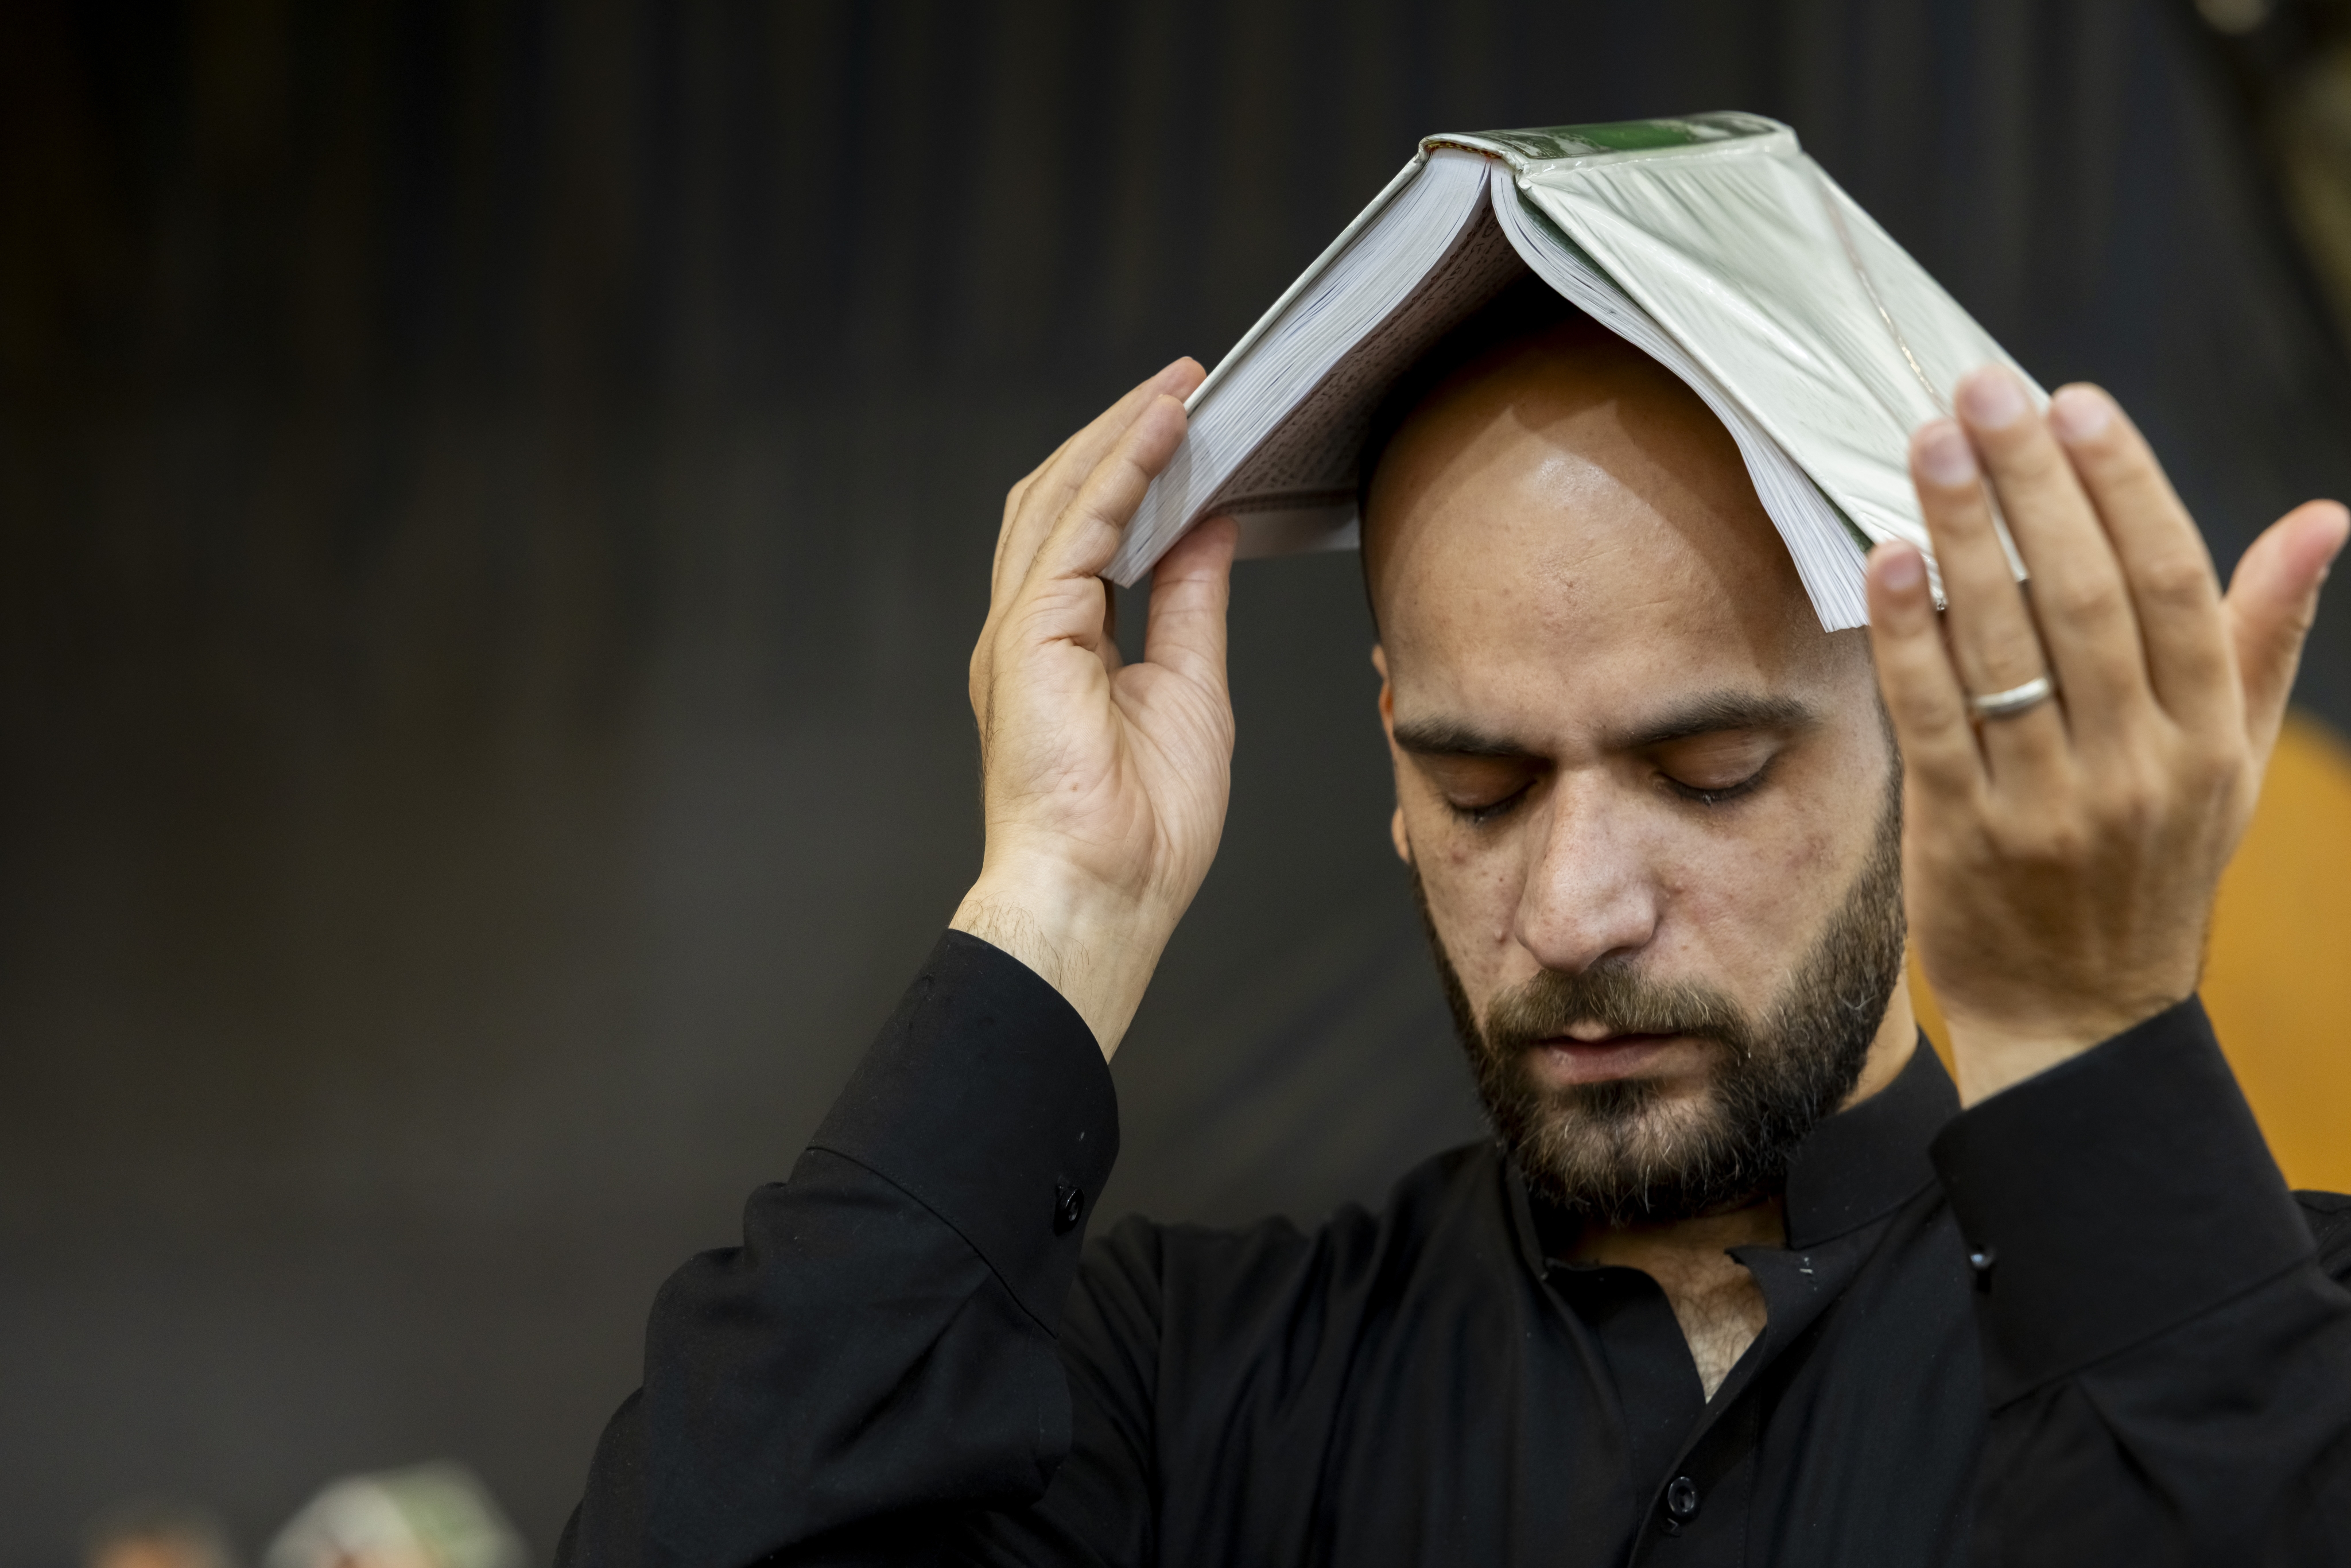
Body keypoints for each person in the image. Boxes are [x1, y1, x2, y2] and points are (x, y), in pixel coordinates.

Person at [558, 284, 2351, 1565]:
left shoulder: (2259, 1334)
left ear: (1921, 732)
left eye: (1710, 771)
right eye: (1481, 787)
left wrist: (2087, 1041)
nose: (1572, 910)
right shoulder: (1187, 1384)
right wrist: (1058, 906)